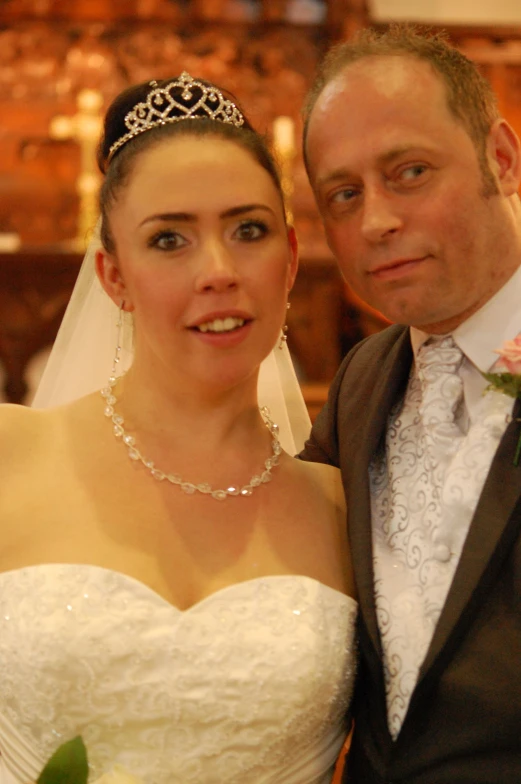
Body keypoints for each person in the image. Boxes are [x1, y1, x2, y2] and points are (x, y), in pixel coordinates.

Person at [0, 74, 357, 784]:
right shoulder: (10, 454)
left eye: (247, 231)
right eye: (169, 239)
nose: (218, 271)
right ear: (113, 275)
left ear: (289, 259)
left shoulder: (347, 509)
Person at [300, 24, 521, 784]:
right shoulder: (361, 383)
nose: (375, 222)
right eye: (343, 194)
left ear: (501, 158)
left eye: (410, 172)